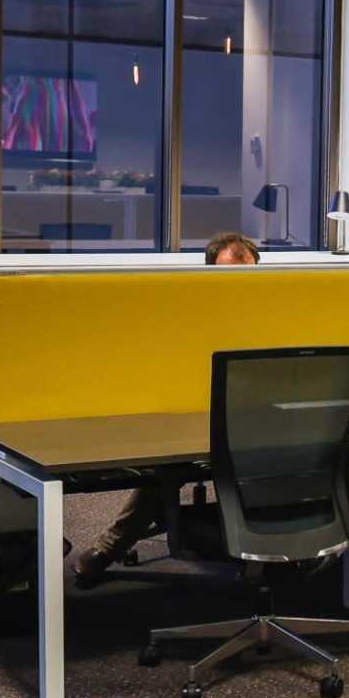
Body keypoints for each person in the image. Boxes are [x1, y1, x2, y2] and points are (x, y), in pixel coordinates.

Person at [72, 230, 260, 586]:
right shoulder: (189, 312)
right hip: (188, 421)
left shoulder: (275, 310)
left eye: (247, 271)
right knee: (167, 467)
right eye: (228, 272)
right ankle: (110, 546)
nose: (239, 282)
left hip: (254, 422)